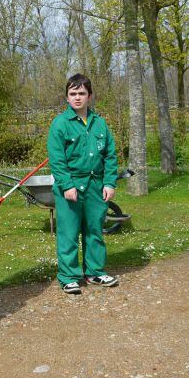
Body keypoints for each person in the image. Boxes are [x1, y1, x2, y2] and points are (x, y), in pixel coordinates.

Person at [47, 73, 119, 295]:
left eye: (81, 93)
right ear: (67, 97)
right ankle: (69, 276)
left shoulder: (100, 123)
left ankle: (95, 271)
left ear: (89, 96)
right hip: (70, 186)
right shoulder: (60, 124)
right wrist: (67, 185)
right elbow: (57, 159)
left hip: (96, 185)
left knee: (94, 230)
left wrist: (109, 183)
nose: (77, 97)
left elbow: (110, 156)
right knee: (68, 233)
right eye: (72, 93)